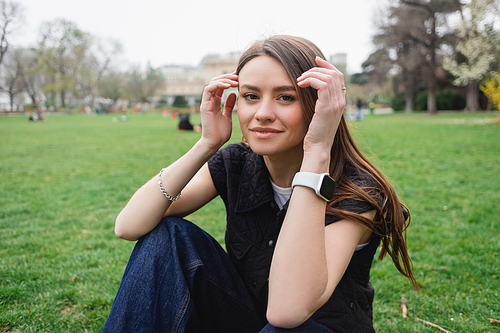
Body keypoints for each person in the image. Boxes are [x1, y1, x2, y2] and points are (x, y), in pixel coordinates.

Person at [102, 35, 418, 333]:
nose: (263, 113)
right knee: (168, 233)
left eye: (285, 97)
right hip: (249, 320)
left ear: (318, 105)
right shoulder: (237, 162)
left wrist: (318, 152)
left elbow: (286, 312)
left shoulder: (358, 190)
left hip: (314, 327)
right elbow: (128, 226)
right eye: (251, 96)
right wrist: (207, 144)